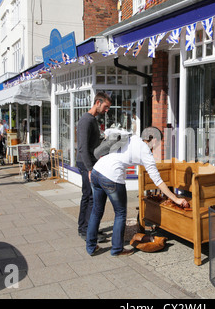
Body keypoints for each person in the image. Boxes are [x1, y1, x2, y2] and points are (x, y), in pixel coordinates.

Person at [86, 127, 189, 256]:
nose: (158, 146)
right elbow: (157, 180)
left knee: (97, 210)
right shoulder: (145, 151)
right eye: (159, 143)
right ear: (155, 139)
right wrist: (176, 199)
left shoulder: (132, 137)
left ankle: (90, 247)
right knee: (120, 213)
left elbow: (108, 132)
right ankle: (117, 249)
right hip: (111, 176)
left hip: (97, 170)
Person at [76, 92, 112, 241]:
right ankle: (87, 232)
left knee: (88, 196)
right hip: (86, 164)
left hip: (90, 162)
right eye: (106, 106)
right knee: (91, 197)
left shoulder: (92, 120)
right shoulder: (86, 120)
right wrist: (90, 169)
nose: (107, 110)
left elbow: (90, 142)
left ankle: (88, 228)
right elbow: (83, 147)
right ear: (97, 102)